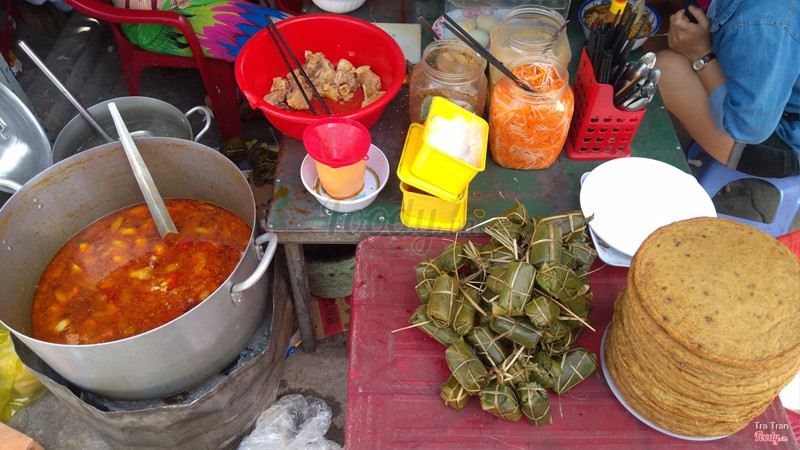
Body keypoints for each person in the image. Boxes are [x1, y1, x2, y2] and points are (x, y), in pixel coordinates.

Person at [654, 0, 800, 178]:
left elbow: (747, 126)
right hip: (763, 98)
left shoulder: (764, 24)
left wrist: (701, 54)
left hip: (777, 135)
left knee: (665, 69)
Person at [114, 0, 290, 63]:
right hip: (161, 22)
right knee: (283, 39)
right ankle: (246, 97)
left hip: (186, 5)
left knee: (289, 30)